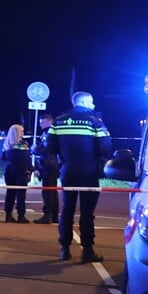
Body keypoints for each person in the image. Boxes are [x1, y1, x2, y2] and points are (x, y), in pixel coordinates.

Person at [44, 91, 111, 262]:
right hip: (89, 173)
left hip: (68, 171)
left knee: (67, 210)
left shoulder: (58, 122)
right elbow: (105, 147)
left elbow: (49, 146)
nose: (94, 106)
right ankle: (87, 250)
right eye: (92, 102)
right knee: (87, 213)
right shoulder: (95, 121)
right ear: (86, 102)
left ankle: (64, 249)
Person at [1, 123, 32, 222]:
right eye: (22, 131)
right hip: (20, 171)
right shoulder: (22, 145)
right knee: (21, 194)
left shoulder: (6, 144)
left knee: (10, 193)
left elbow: (3, 158)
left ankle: (8, 215)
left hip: (9, 170)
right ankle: (21, 216)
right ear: (18, 133)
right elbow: (26, 160)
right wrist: (33, 169)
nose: (23, 133)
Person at [34, 114, 60, 226]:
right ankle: (54, 215)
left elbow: (44, 148)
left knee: (48, 191)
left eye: (42, 122)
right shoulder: (57, 131)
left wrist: (34, 149)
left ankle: (47, 215)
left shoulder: (48, 132)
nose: (40, 125)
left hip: (48, 164)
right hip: (55, 165)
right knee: (53, 191)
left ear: (49, 121)